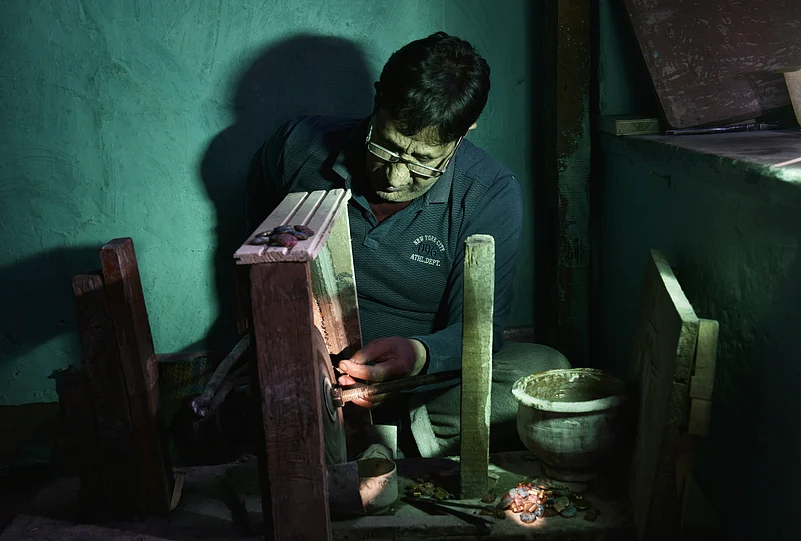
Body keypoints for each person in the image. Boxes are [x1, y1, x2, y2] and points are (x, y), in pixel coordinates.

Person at [245, 32, 570, 458]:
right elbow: (255, 258)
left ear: (465, 131)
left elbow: (479, 331)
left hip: (417, 386)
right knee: (259, 388)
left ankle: (388, 438)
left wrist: (418, 355)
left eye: (423, 162)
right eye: (387, 147)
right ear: (378, 98)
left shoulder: (489, 192)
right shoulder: (296, 149)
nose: (395, 179)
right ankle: (354, 437)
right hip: (307, 366)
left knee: (545, 370)